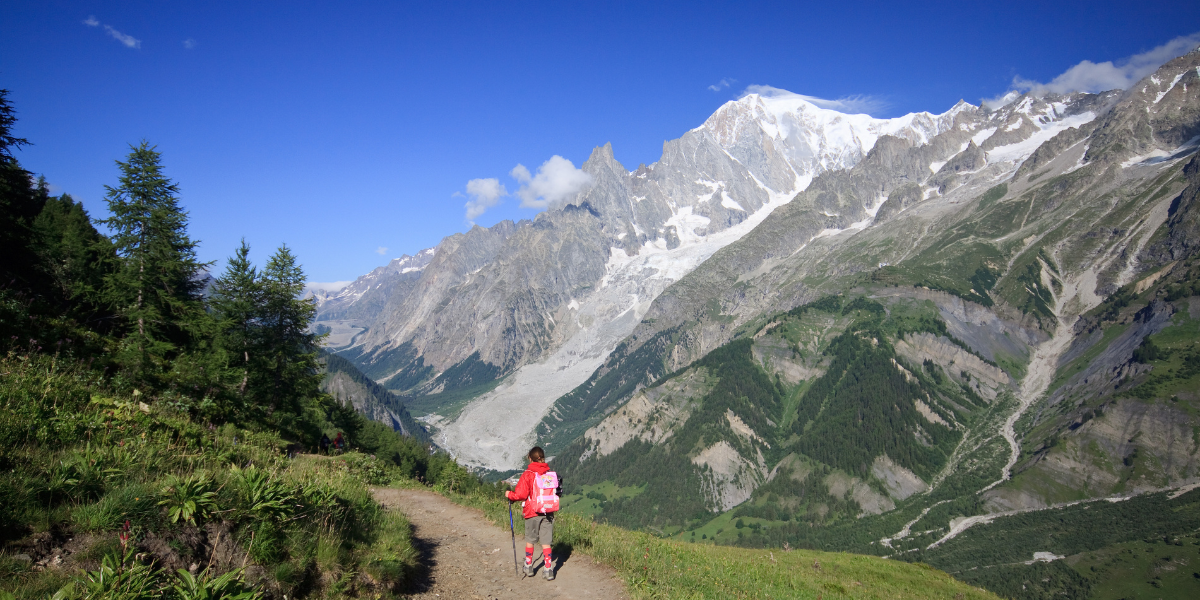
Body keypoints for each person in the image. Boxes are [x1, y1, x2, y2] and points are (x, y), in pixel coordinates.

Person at [506, 446, 561, 580]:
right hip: (548, 511)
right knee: (546, 541)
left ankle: (529, 566)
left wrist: (509, 494)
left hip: (532, 512)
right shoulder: (549, 474)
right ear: (542, 458)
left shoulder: (528, 474)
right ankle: (548, 569)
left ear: (530, 459)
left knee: (531, 540)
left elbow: (521, 494)